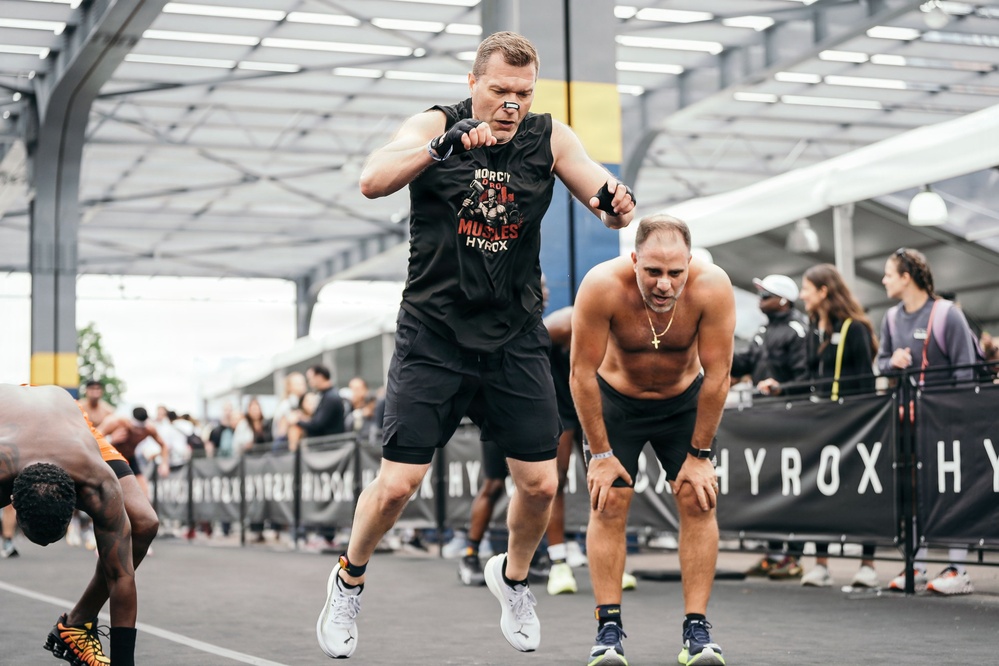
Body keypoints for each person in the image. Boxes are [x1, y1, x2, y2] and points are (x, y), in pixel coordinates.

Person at [316, 30, 635, 660]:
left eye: (522, 92)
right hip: (434, 332)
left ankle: (513, 580)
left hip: (514, 333)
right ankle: (349, 579)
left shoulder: (549, 136)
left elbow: (603, 196)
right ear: (473, 83)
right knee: (400, 483)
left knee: (542, 484)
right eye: (499, 91)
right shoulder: (436, 124)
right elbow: (372, 180)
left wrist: (617, 205)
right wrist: (441, 147)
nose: (511, 103)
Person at [571, 215, 734, 666]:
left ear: (689, 264)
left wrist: (700, 455)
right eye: (653, 272)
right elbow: (581, 374)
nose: (664, 285)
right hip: (616, 400)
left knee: (698, 499)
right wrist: (600, 454)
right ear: (635, 260)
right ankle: (608, 630)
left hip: (682, 403)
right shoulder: (602, 286)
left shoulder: (712, 287)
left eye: (675, 273)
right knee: (609, 502)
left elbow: (719, 375)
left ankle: (696, 631)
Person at [0, 384, 160, 666]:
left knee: (144, 524)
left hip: (72, 426)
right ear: (11, 498)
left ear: (77, 499)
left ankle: (77, 624)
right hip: (11, 423)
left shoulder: (97, 481)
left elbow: (121, 576)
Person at [763, 263, 880, 589]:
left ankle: (868, 565)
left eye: (807, 289)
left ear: (824, 291)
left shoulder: (854, 328)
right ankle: (821, 564)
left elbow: (865, 381)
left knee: (861, 492)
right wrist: (782, 388)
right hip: (824, 424)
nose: (802, 295)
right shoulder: (815, 329)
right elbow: (813, 380)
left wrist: (860, 420)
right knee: (820, 492)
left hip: (854, 425)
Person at [877, 247, 978, 595]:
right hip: (910, 424)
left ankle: (958, 570)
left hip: (949, 423)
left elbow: (966, 370)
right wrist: (894, 362)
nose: (883, 280)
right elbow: (881, 363)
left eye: (889, 273)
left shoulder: (947, 314)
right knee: (914, 492)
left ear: (906, 277)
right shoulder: (890, 318)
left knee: (952, 491)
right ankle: (916, 565)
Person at [732, 273, 809, 580]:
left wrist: (781, 388)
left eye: (766, 295)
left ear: (784, 300)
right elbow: (745, 364)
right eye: (760, 294)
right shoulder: (763, 331)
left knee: (791, 487)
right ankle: (773, 553)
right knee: (768, 486)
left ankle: (793, 556)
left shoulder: (797, 330)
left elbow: (805, 379)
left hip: (791, 422)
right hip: (764, 420)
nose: (761, 300)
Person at [99, 406, 170, 498]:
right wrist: (111, 440)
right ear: (130, 422)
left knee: (144, 489)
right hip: (112, 457)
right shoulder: (117, 423)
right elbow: (94, 437)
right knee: (110, 490)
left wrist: (164, 464)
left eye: (142, 428)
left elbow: (163, 445)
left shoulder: (149, 429)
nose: (139, 432)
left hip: (130, 458)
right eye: (136, 428)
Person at [289, 365, 346, 450]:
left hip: (329, 449)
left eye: (311, 378)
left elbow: (318, 424)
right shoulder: (326, 395)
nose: (309, 382)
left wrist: (298, 421)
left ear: (319, 377)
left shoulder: (330, 397)